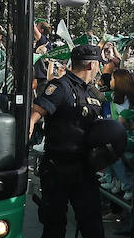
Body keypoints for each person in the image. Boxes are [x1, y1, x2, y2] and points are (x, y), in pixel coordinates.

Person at [30, 43, 107, 238]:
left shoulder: (92, 93)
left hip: (84, 168)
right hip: (58, 167)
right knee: (54, 225)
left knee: (92, 225)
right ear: (91, 65)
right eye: (98, 63)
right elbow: (36, 114)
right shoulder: (60, 86)